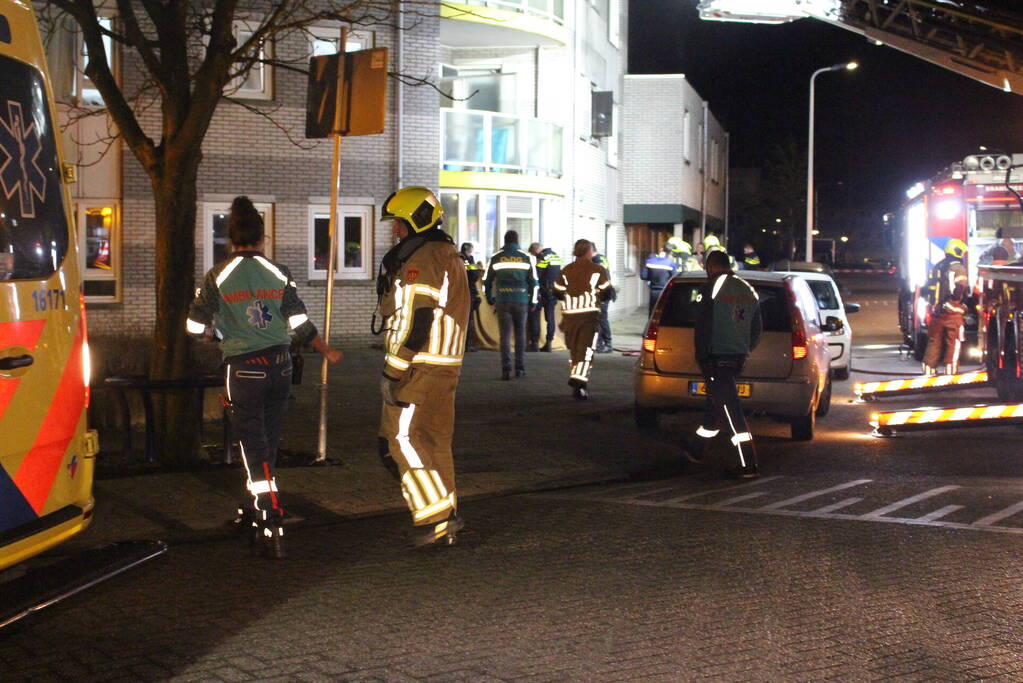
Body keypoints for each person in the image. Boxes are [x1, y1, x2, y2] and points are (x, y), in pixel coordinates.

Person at [187, 196, 343, 558]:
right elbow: (299, 323)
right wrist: (326, 351)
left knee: (251, 445)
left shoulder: (217, 276)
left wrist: (212, 334)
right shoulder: (279, 272)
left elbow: (194, 326)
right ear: (262, 239)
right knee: (265, 444)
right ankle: (251, 510)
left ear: (231, 239)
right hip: (281, 366)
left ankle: (271, 513)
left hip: (242, 370)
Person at [376, 186, 470, 547]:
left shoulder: (425, 257)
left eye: (399, 224)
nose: (395, 231)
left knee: (397, 440)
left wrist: (393, 371)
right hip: (444, 365)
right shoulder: (447, 253)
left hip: (420, 366)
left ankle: (436, 518)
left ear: (415, 220)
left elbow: (418, 319)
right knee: (434, 442)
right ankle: (447, 516)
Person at [686, 249, 762, 479]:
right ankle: (695, 449)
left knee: (730, 412)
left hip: (716, 358)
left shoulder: (710, 289)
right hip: (737, 356)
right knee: (715, 407)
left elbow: (702, 325)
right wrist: (744, 348)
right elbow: (756, 328)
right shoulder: (746, 288)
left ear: (710, 267)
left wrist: (703, 355)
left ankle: (747, 464)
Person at [554, 239, 613, 400]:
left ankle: (578, 388)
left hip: (569, 316)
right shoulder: (597, 269)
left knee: (574, 351)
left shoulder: (566, 270)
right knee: (586, 351)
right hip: (589, 316)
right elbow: (607, 291)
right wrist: (597, 296)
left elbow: (557, 291)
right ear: (588, 252)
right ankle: (578, 380)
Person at [483, 231, 538, 379]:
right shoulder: (526, 258)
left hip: (502, 300)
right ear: (517, 240)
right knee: (520, 335)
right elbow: (534, 282)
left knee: (505, 336)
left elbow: (486, 281)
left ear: (505, 240)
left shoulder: (496, 257)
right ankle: (520, 369)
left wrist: (489, 298)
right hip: (521, 300)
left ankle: (506, 369)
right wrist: (533, 301)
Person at [923, 239, 969, 376]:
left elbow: (929, 289)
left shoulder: (937, 267)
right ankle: (950, 371)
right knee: (954, 341)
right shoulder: (958, 268)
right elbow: (960, 288)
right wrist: (959, 303)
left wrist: (936, 305)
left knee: (934, 340)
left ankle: (928, 369)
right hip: (952, 312)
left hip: (936, 312)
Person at [528, 242, 563, 352]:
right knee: (550, 317)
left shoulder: (542, 257)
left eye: (533, 254)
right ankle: (549, 343)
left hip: (543, 291)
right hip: (554, 290)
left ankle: (534, 343)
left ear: (535, 250)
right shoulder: (555, 255)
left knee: (534, 315)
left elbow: (537, 274)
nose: (534, 256)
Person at [640, 247, 678, 313]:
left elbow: (643, 276)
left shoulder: (650, 262)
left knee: (653, 312)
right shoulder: (671, 264)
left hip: (653, 292)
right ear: (669, 254)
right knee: (665, 312)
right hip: (666, 291)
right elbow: (674, 278)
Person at [591, 250, 615, 353]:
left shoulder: (597, 261)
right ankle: (601, 343)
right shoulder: (601, 258)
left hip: (602, 294)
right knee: (599, 318)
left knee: (601, 319)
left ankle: (606, 344)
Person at [460, 242, 482, 352]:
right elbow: (474, 274)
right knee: (469, 320)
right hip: (469, 291)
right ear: (469, 250)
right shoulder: (468, 260)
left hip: (458, 291)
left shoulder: (458, 258)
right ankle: (469, 344)